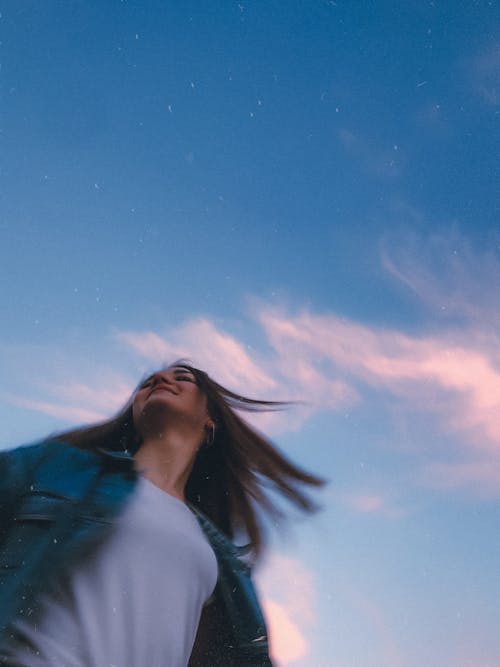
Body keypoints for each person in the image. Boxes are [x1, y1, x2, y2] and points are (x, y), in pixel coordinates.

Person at [0, 361, 324, 666]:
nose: (160, 379)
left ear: (210, 419)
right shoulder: (60, 467)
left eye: (182, 377)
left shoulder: (223, 561)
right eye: (147, 382)